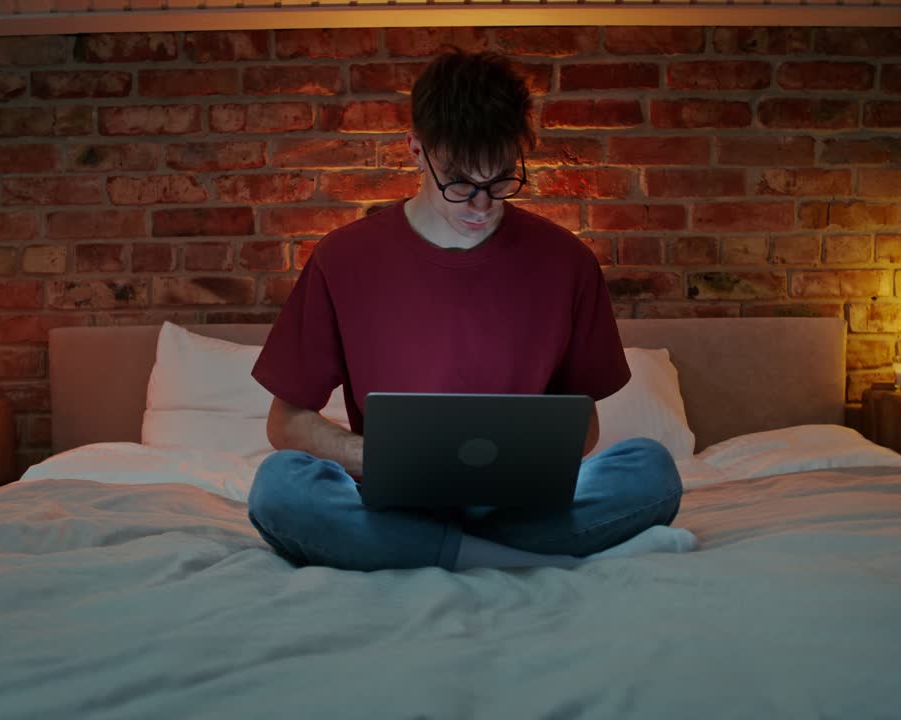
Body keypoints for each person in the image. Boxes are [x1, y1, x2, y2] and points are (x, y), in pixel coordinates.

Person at [247, 48, 696, 572]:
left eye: (501, 180)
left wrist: (518, 463)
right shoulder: (341, 259)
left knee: (652, 470)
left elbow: (584, 425)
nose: (482, 205)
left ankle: (423, 547)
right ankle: (497, 555)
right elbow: (286, 422)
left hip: (515, 504)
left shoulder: (567, 262)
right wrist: (375, 460)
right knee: (278, 489)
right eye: (460, 182)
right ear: (416, 150)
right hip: (390, 500)